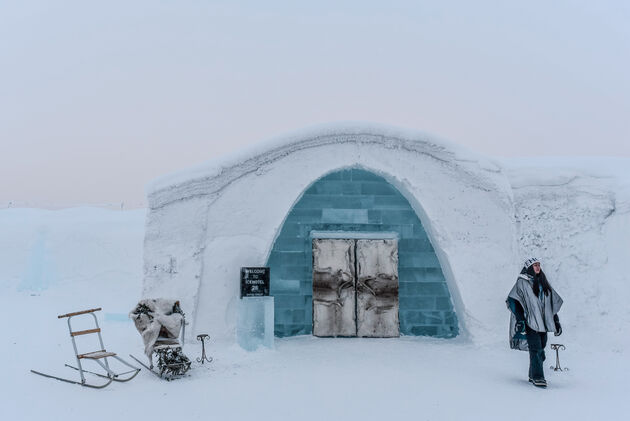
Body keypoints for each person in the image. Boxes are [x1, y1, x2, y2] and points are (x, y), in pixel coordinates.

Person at [506, 257, 563, 388]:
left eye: (538, 265)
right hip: (530, 322)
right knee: (536, 349)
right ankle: (538, 377)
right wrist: (520, 320)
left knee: (541, 348)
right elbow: (514, 301)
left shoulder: (543, 283)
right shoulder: (522, 283)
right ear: (529, 268)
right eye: (534, 265)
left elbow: (551, 305)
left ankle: (532, 374)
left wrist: (556, 322)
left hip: (543, 324)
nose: (537, 267)